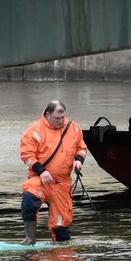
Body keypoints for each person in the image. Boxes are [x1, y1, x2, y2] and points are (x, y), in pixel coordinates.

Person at [20, 100, 88, 244]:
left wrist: (79, 161)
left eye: (63, 117)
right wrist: (42, 171)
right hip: (40, 179)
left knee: (61, 226)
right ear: (47, 114)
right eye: (57, 118)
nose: (61, 121)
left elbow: (81, 148)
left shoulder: (74, 128)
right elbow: (27, 156)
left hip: (62, 182)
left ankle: (61, 250)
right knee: (29, 200)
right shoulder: (34, 131)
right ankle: (29, 239)